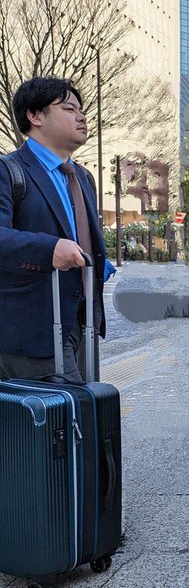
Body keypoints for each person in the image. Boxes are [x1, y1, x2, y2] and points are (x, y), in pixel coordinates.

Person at [0, 77, 109, 383]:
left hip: (81, 323)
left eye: (81, 109)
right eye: (68, 108)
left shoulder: (83, 177)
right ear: (35, 116)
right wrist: (49, 250)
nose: (82, 116)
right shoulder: (8, 171)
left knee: (85, 418)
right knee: (59, 424)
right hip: (32, 332)